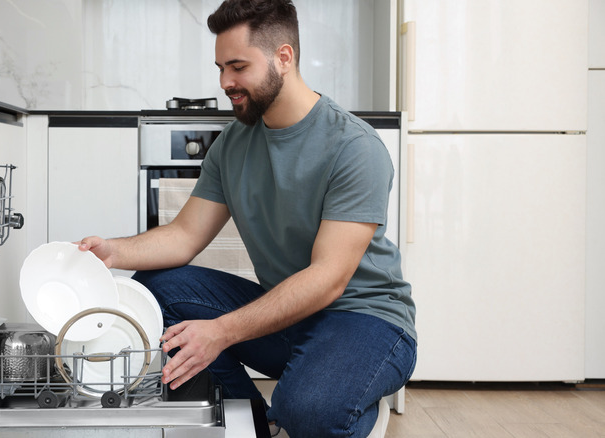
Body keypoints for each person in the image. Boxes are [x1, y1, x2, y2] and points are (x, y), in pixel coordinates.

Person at [77, 0, 417, 436]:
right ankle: (258, 422)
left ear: (284, 57)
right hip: (288, 317)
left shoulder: (354, 147)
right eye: (221, 68)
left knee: (310, 411)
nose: (225, 82)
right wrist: (111, 252)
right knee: (155, 289)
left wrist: (221, 331)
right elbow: (184, 236)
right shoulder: (233, 144)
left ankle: (336, 399)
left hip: (365, 319)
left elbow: (328, 278)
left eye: (238, 67)